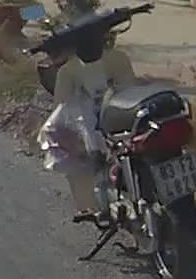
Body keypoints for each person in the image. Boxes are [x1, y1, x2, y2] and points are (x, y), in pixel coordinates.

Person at [51, 27, 138, 219]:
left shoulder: (68, 71)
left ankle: (90, 206)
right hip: (127, 119)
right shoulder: (118, 58)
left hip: (105, 127)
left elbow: (61, 110)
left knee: (71, 150)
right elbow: (130, 87)